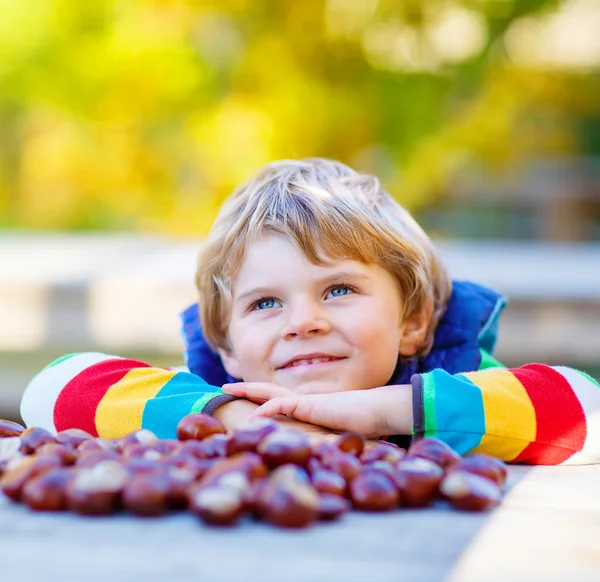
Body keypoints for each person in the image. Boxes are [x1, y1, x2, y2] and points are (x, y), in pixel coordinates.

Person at [20, 159, 600, 465]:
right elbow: (48, 388)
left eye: (338, 290)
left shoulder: (462, 377)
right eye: (265, 303)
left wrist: (380, 413)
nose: (303, 322)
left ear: (413, 321)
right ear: (226, 344)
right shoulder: (222, 393)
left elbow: (585, 409)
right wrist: (232, 420)